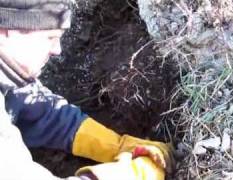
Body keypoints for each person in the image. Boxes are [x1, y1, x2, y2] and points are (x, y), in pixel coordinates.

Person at [0, 0, 172, 179]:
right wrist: (133, 175)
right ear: (6, 31)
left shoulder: (10, 78)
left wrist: (118, 146)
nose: (57, 50)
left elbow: (42, 111)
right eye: (49, 37)